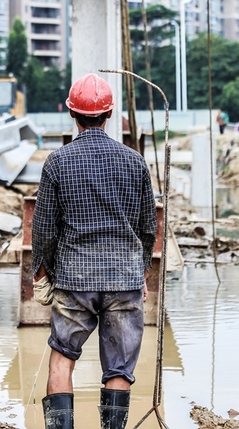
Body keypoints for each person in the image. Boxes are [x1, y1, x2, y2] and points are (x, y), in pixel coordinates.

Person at [32, 73, 158, 429]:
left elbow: (43, 228)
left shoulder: (57, 162)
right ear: (109, 115)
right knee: (119, 368)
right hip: (124, 277)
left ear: (73, 114)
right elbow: (148, 227)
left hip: (75, 278)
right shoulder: (135, 162)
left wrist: (42, 271)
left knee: (62, 359)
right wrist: (141, 270)